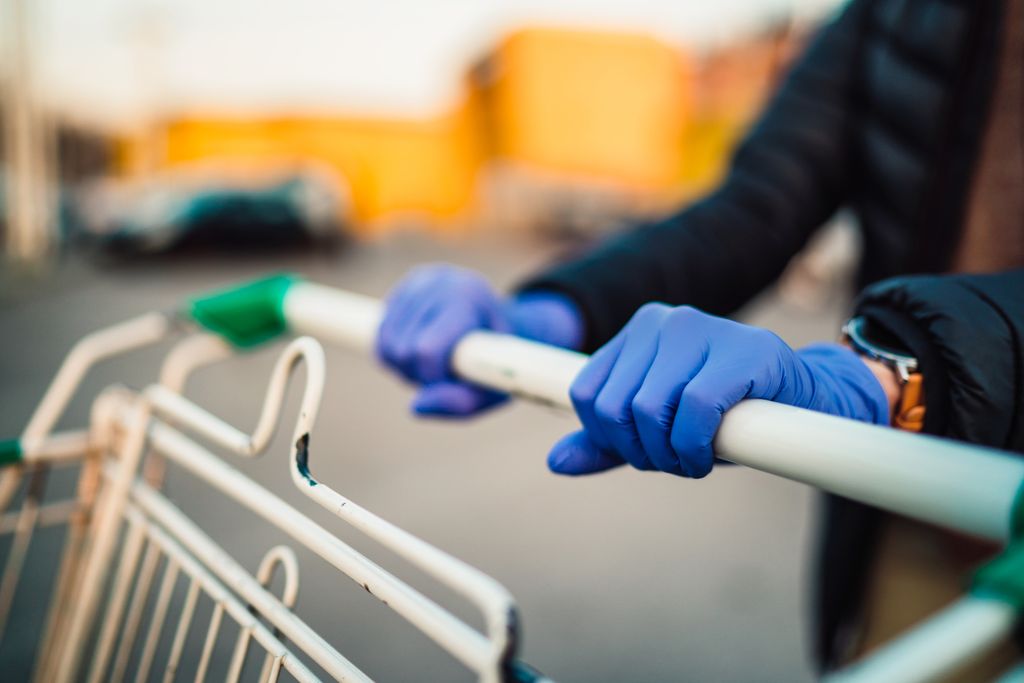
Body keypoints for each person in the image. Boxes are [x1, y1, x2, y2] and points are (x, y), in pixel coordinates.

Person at [375, 0, 1024, 675]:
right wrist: (553, 311)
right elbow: (756, 204)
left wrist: (895, 368)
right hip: (925, 485)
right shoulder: (895, 15)